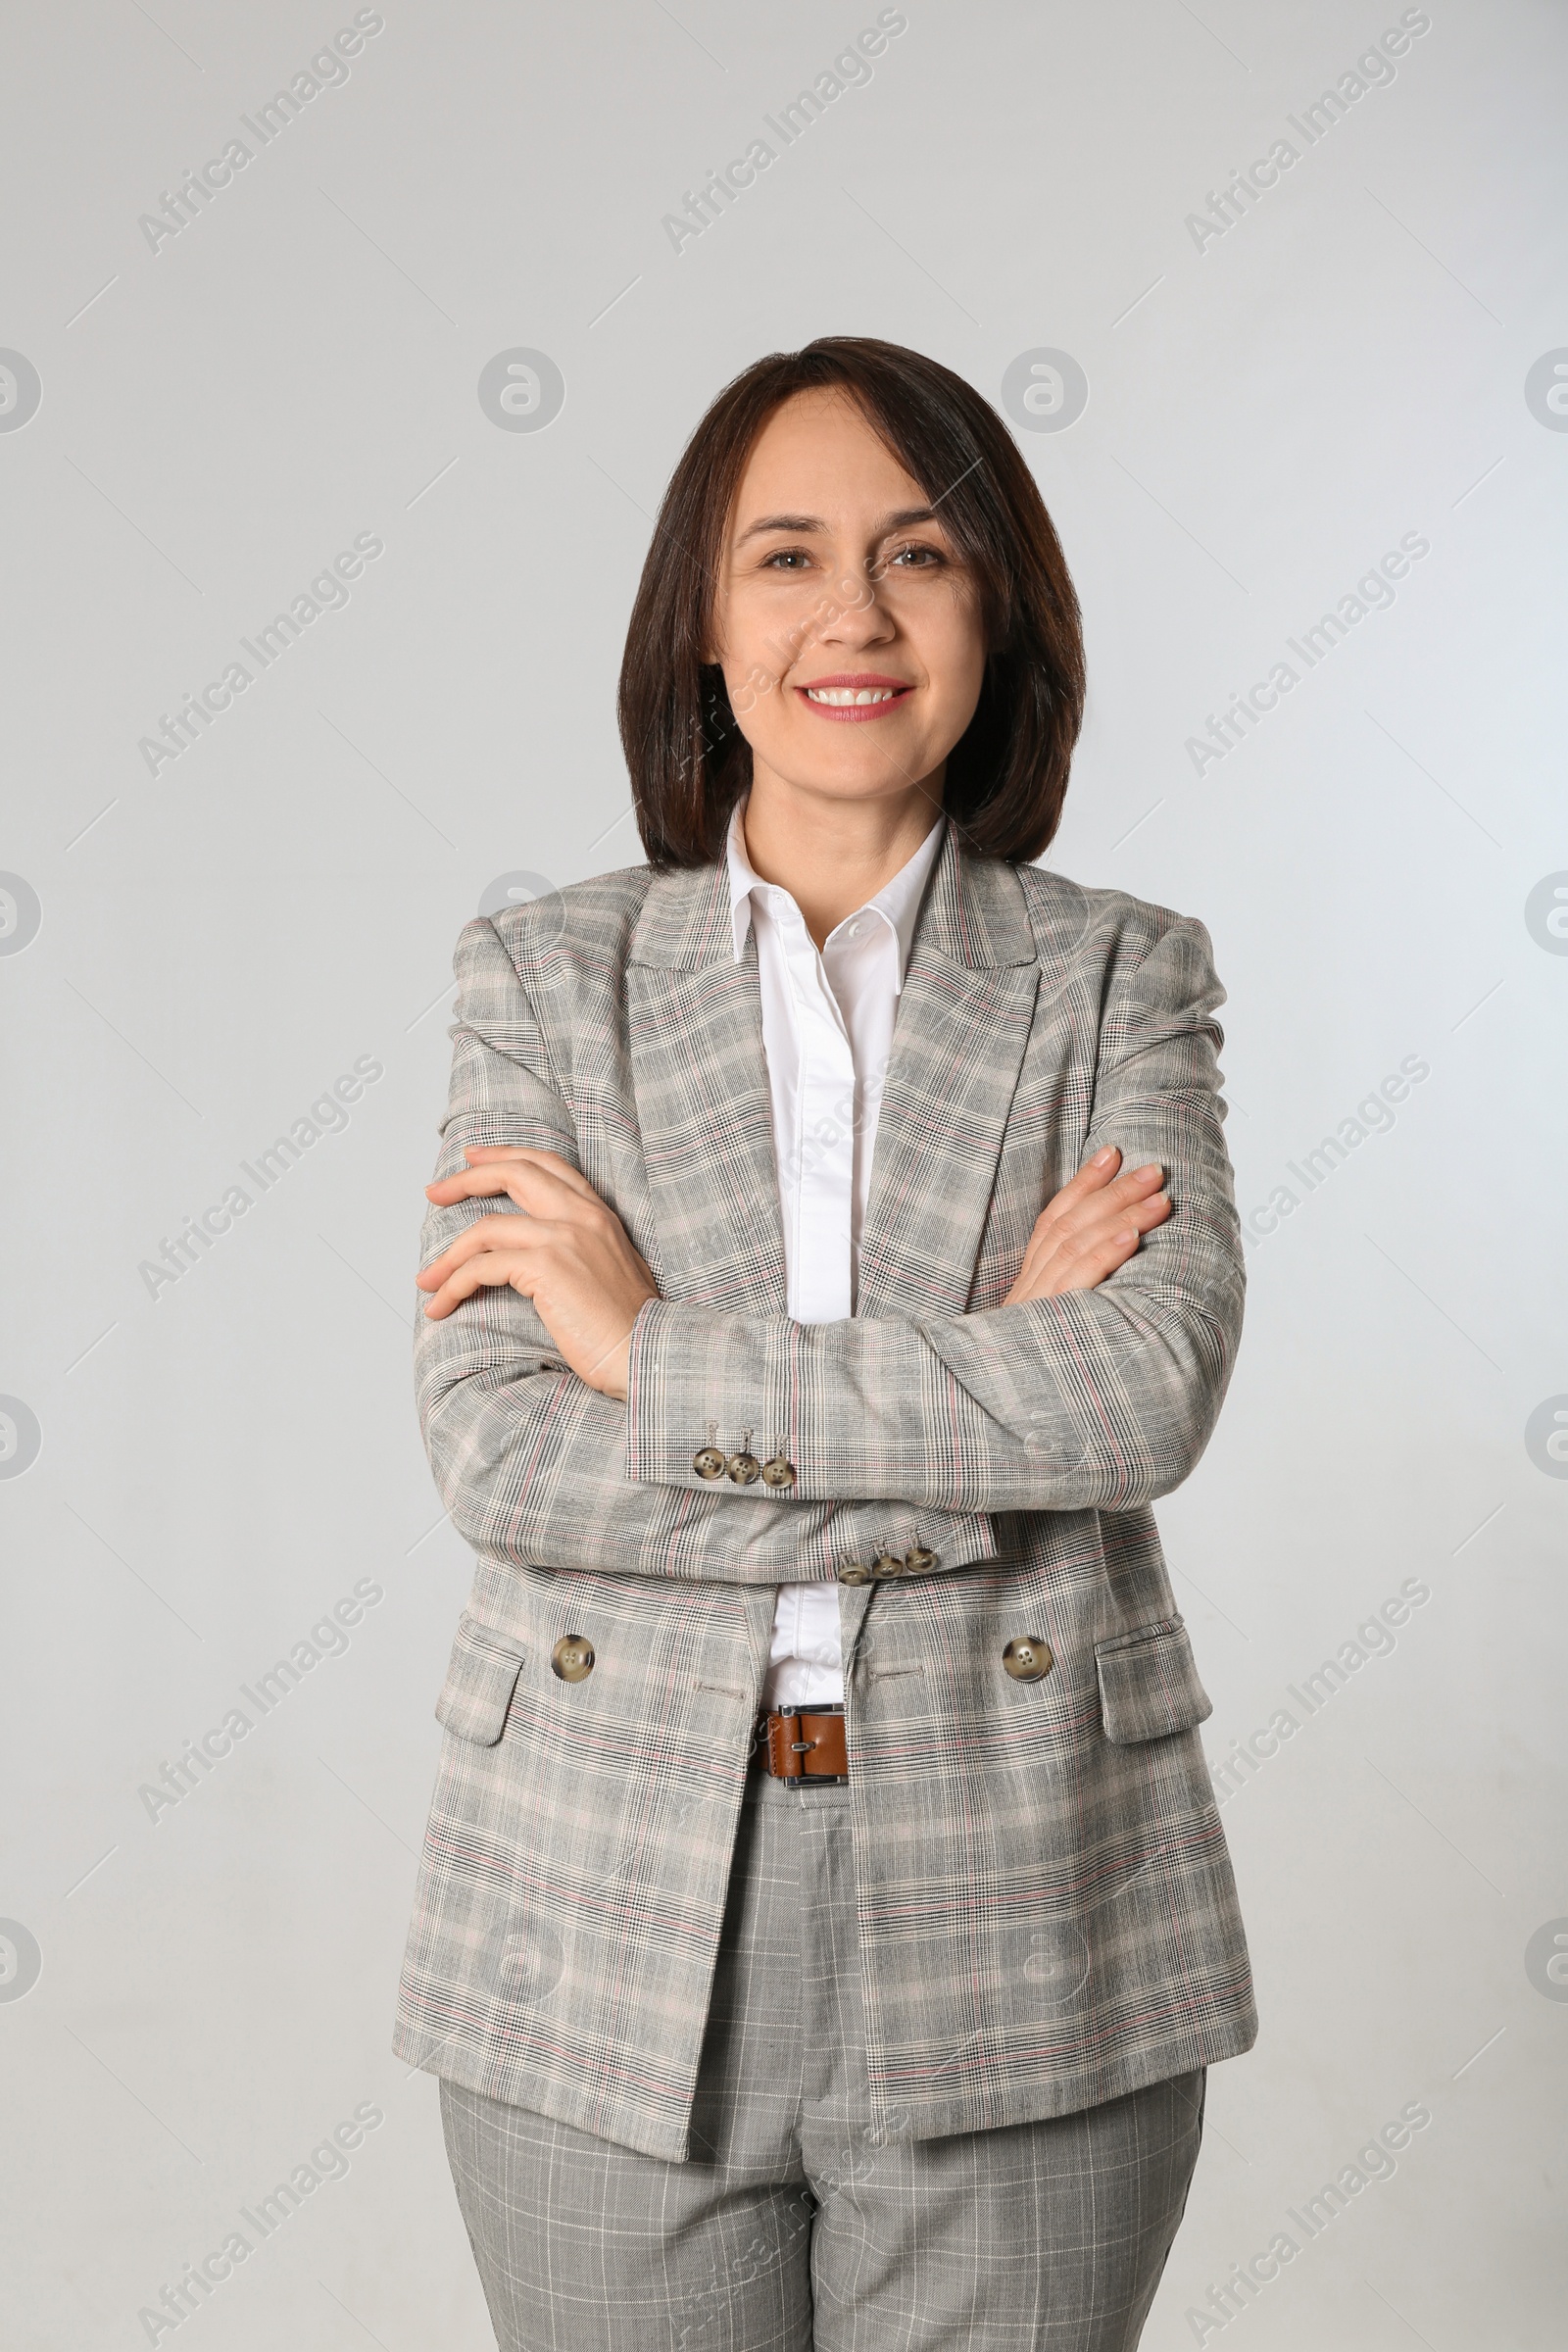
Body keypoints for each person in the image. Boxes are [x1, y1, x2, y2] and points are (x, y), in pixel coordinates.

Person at [393, 335, 1256, 2350]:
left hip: (1029, 1871)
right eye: (783, 556)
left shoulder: (1119, 972)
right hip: (593, 1884)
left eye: (920, 555)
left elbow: (1139, 1390)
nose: (850, 615)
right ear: (701, 623)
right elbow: (499, 1452)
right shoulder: (540, 977)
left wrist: (647, 1352)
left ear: (996, 615)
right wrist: (980, 1419)